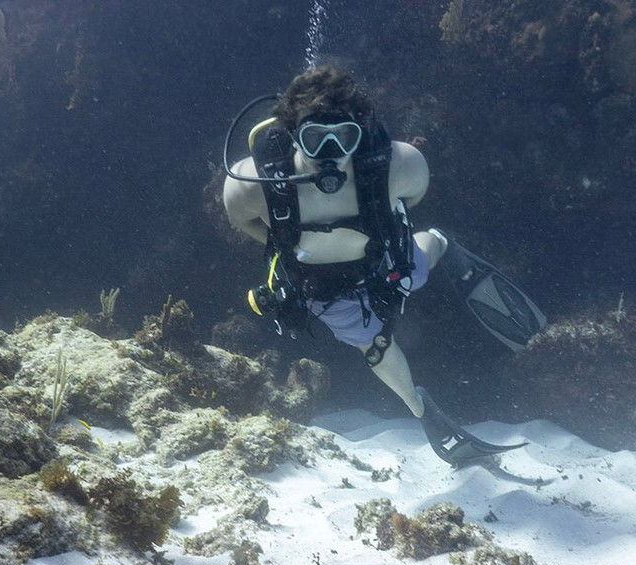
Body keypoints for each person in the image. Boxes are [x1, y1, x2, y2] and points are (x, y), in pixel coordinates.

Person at [222, 66, 543, 465]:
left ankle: (442, 243)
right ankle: (421, 409)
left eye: (345, 138)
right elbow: (244, 221)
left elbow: (409, 202)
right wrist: (288, 244)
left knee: (420, 261)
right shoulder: (250, 184)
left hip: (382, 259)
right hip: (319, 282)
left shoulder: (400, 165)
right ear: (291, 134)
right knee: (373, 344)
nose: (331, 155)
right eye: (315, 139)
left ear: (360, 134)